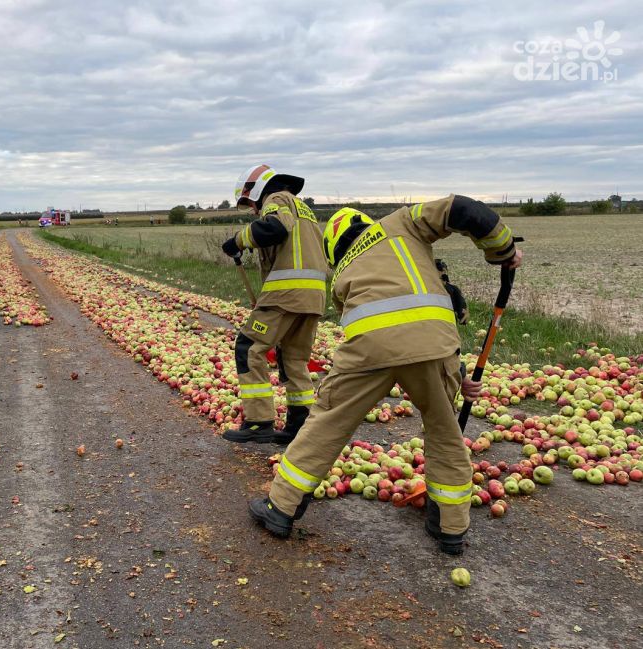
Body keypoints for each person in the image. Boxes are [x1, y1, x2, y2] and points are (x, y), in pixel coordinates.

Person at [249, 196, 522, 555]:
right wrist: (501, 249)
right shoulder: (402, 223)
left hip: (369, 350)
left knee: (328, 422)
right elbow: (461, 209)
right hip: (434, 346)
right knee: (444, 429)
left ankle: (282, 507)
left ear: (334, 250)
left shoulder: (343, 271)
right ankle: (450, 526)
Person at [221, 164, 329, 445]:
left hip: (286, 293)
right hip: (313, 295)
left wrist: (238, 241)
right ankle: (299, 423)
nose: (254, 210)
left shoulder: (277, 199)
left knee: (249, 347)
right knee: (293, 358)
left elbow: (275, 228)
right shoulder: (302, 207)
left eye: (250, 203)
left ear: (256, 189)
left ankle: (258, 422)